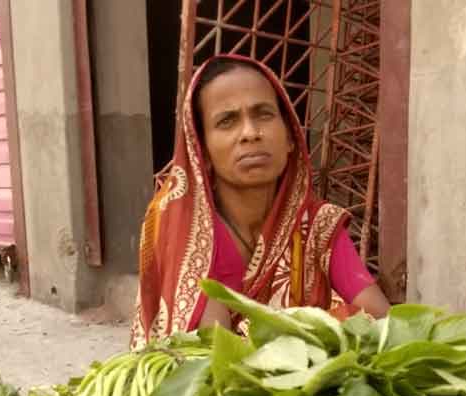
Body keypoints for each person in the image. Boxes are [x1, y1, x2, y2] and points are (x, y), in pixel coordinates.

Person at [131, 54, 390, 347]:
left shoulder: (318, 227)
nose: (250, 133)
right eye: (227, 121)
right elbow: (212, 355)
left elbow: (382, 321)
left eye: (264, 114)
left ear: (291, 137)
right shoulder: (185, 229)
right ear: (202, 151)